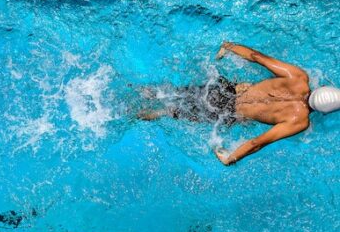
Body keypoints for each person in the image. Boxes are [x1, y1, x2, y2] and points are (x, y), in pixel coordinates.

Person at [138, 42, 340, 165]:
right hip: (226, 113)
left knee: (169, 93)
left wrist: (230, 47)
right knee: (169, 112)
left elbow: (257, 57)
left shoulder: (298, 77)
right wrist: (230, 158)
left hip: (225, 90)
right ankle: (134, 115)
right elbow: (257, 143)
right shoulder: (299, 121)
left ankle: (140, 90)